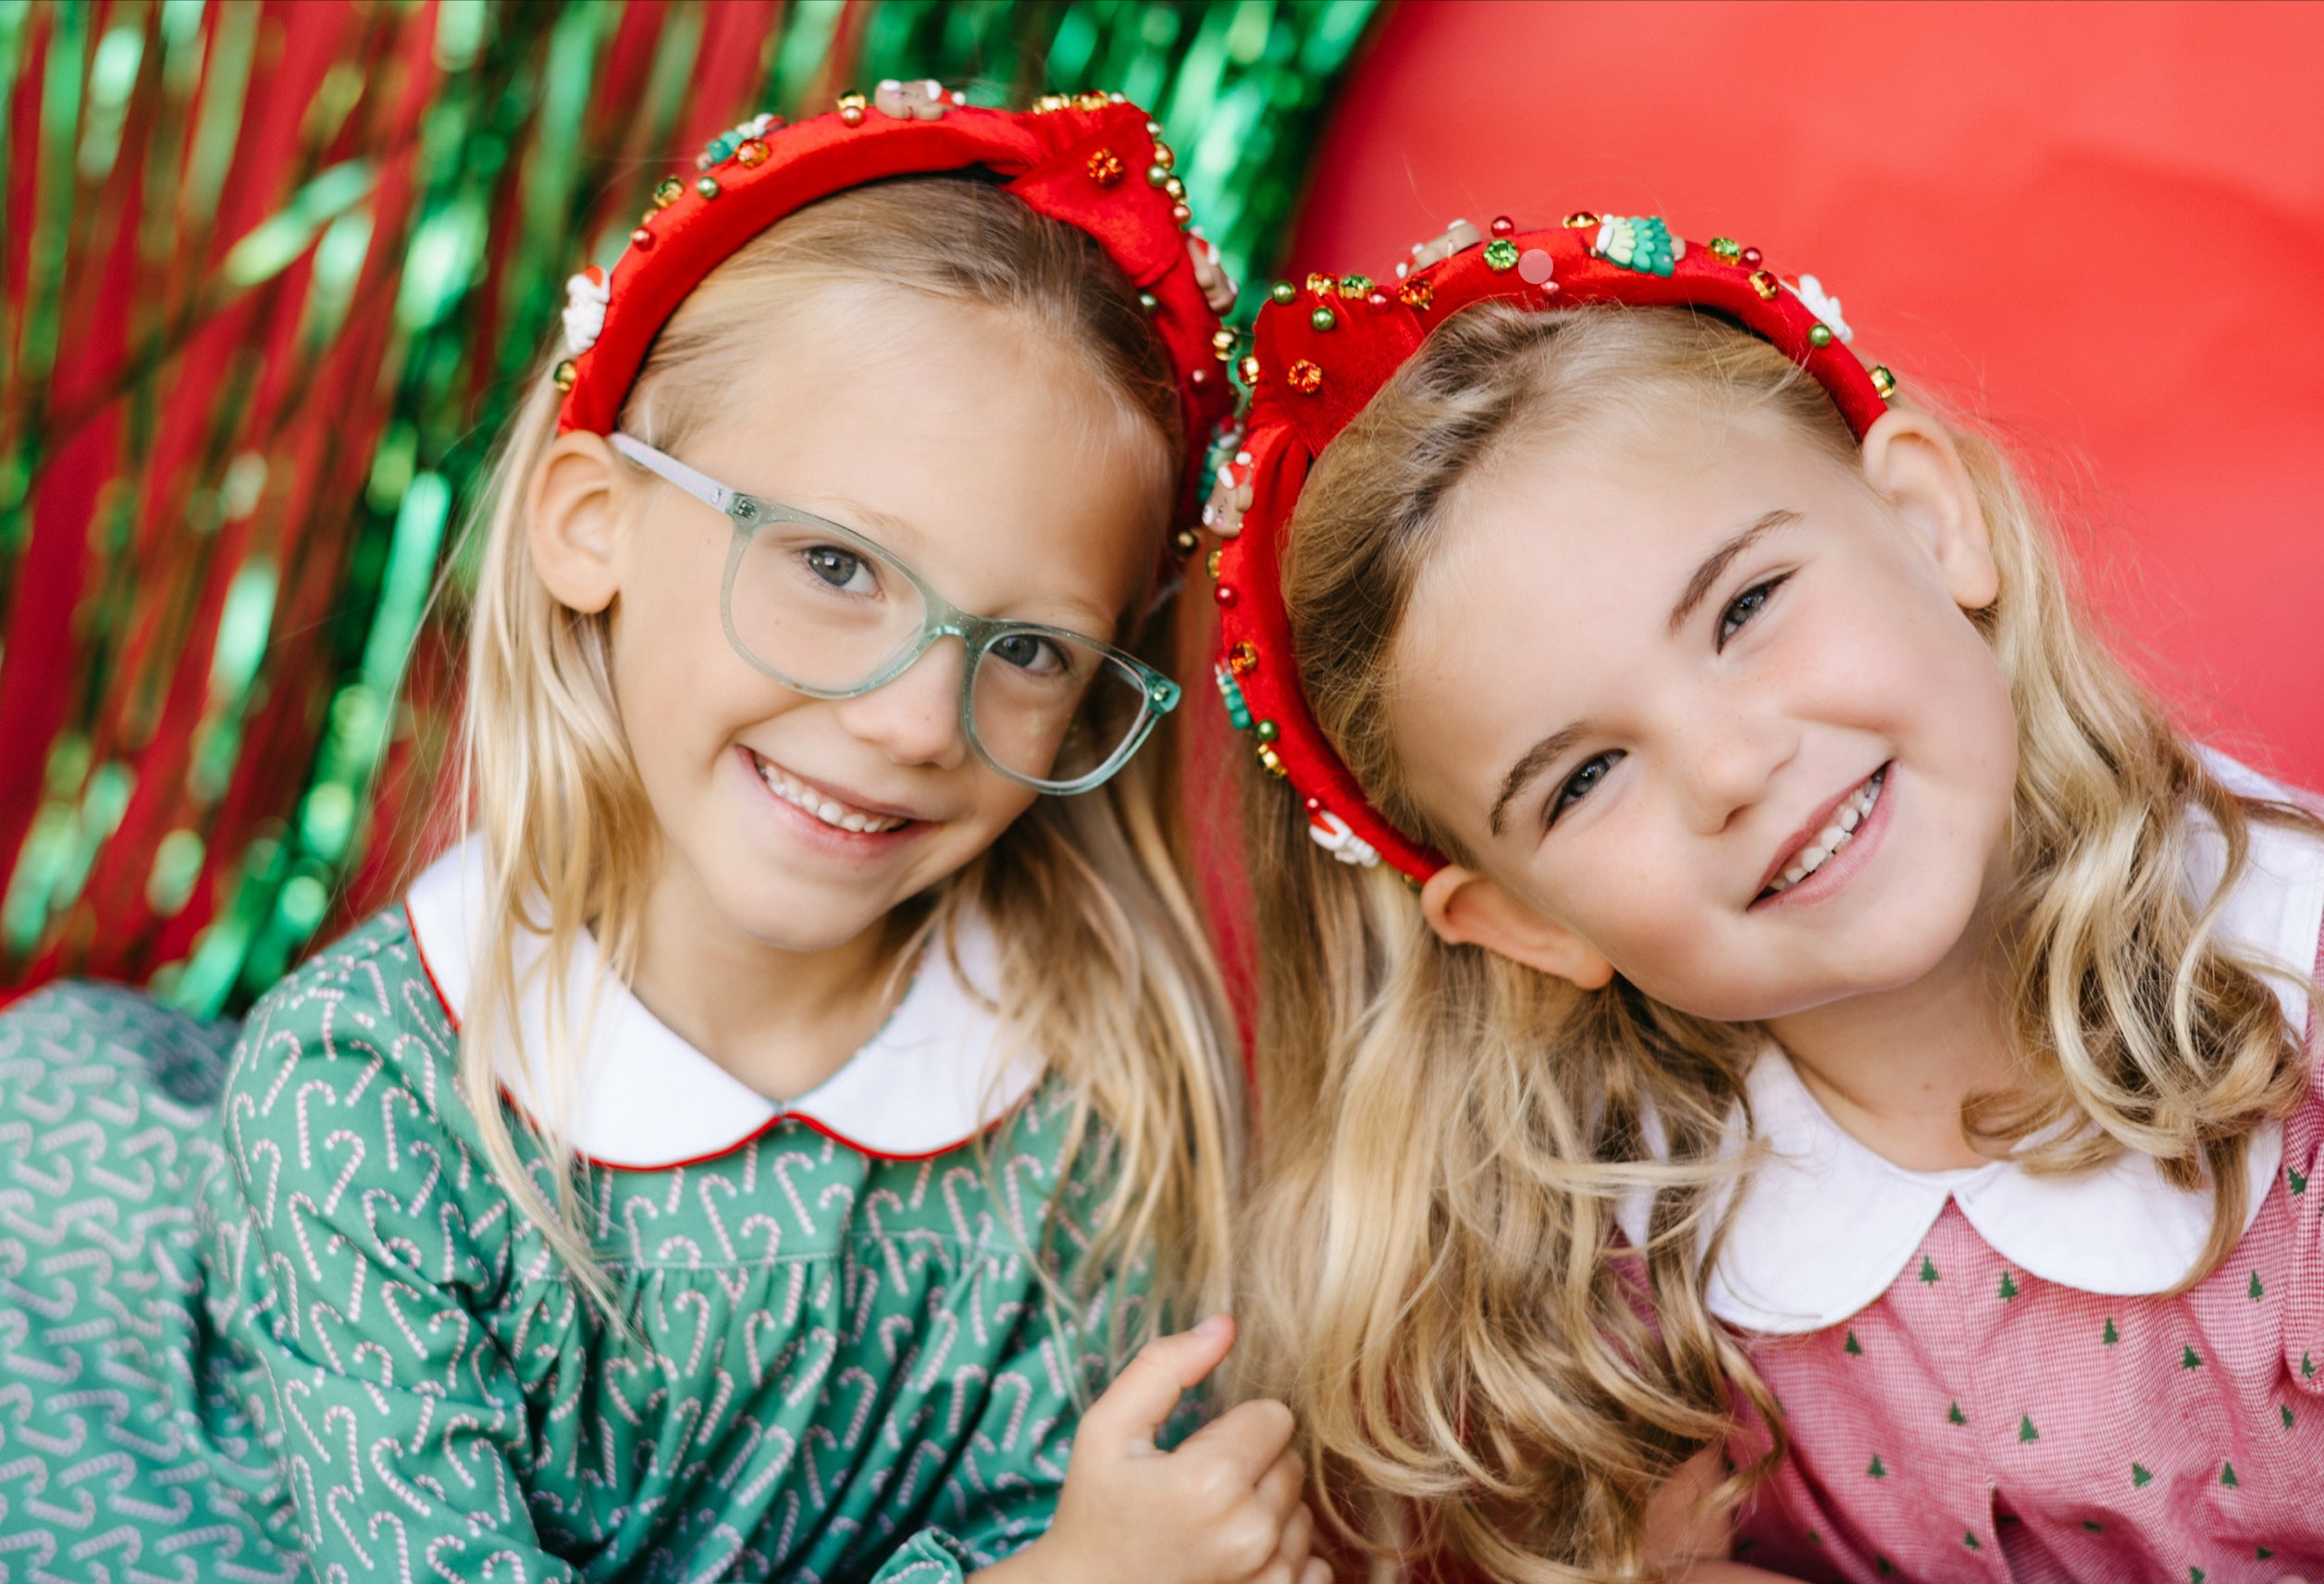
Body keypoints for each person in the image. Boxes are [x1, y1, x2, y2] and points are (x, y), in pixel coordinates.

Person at [0, 89, 1329, 1584]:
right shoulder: (357, 1108)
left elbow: (1057, 1508)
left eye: (1025, 650)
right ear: (592, 525)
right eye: (836, 565)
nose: (912, 720)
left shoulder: (1084, 1108)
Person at [1205, 214, 2324, 1581]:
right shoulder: (1620, 1313)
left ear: (1927, 520)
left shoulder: (2300, 1013)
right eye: (1587, 777)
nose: (1731, 768)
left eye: (1744, 609)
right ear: (1528, 925)